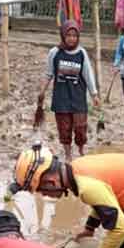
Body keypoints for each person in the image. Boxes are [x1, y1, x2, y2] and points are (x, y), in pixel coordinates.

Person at [38, 20, 100, 162]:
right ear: (63, 36)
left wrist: (94, 94)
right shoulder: (54, 53)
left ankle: (81, 150)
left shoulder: (82, 53)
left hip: (78, 97)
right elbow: (48, 74)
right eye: (69, 35)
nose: (72, 38)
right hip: (61, 98)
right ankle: (68, 153)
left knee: (80, 127)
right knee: (64, 128)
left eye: (75, 35)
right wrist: (42, 91)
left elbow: (88, 75)